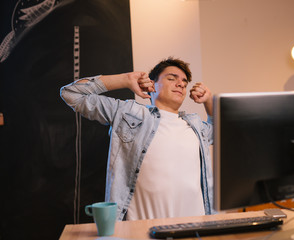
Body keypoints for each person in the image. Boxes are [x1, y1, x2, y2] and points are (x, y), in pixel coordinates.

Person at [60, 57, 214, 220]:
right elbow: (71, 94)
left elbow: (222, 133)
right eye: (171, 78)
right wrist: (125, 79)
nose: (181, 84)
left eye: (184, 82)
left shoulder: (195, 125)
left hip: (194, 229)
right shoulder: (128, 112)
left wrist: (209, 100)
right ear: (152, 84)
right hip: (142, 230)